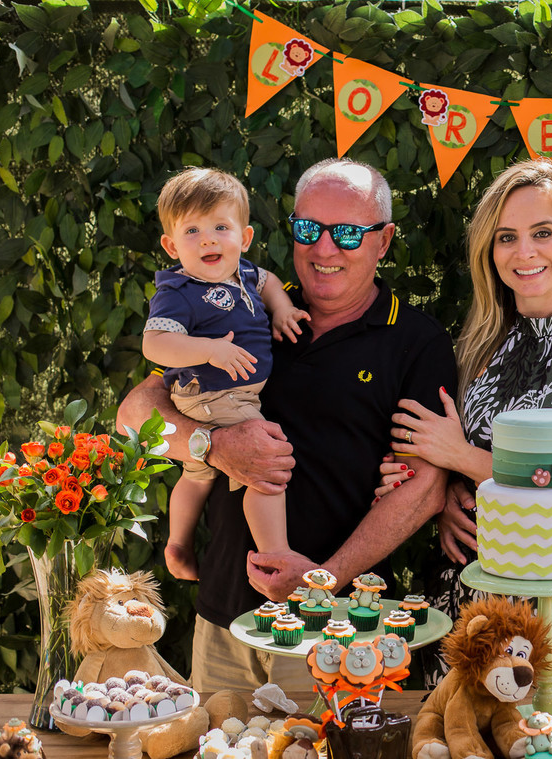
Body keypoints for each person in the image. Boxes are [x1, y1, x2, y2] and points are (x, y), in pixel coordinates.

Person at [118, 159, 457, 693]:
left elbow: (425, 489)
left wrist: (324, 579)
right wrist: (211, 445)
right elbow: (134, 416)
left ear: (385, 240)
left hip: (343, 627)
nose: (324, 250)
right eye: (308, 229)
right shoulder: (249, 311)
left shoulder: (415, 341)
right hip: (226, 616)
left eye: (347, 233)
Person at [375, 159, 552, 629]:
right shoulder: (481, 337)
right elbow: (457, 453)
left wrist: (460, 457)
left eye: (542, 233)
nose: (524, 252)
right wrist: (447, 495)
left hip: (547, 594)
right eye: (506, 237)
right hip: (465, 584)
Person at [143, 168, 309, 581]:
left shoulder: (246, 274)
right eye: (193, 231)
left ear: (245, 237)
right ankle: (277, 553)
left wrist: (283, 308)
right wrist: (210, 350)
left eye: (221, 226)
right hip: (214, 393)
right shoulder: (179, 292)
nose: (209, 239)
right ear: (171, 245)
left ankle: (178, 543)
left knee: (197, 474)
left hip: (229, 394)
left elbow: (269, 281)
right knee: (266, 464)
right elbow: (154, 343)